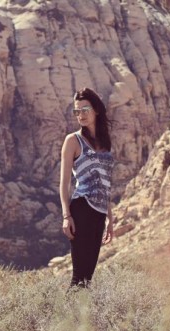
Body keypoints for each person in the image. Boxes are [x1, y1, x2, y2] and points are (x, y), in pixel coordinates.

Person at [59, 87, 114, 288]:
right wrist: (67, 216)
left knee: (87, 279)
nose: (80, 115)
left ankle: (79, 318)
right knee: (78, 278)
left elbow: (106, 182)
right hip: (82, 208)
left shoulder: (106, 143)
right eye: (77, 111)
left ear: (96, 110)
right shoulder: (73, 141)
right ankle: (64, 318)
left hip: (99, 213)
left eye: (85, 109)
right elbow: (64, 183)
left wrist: (110, 217)